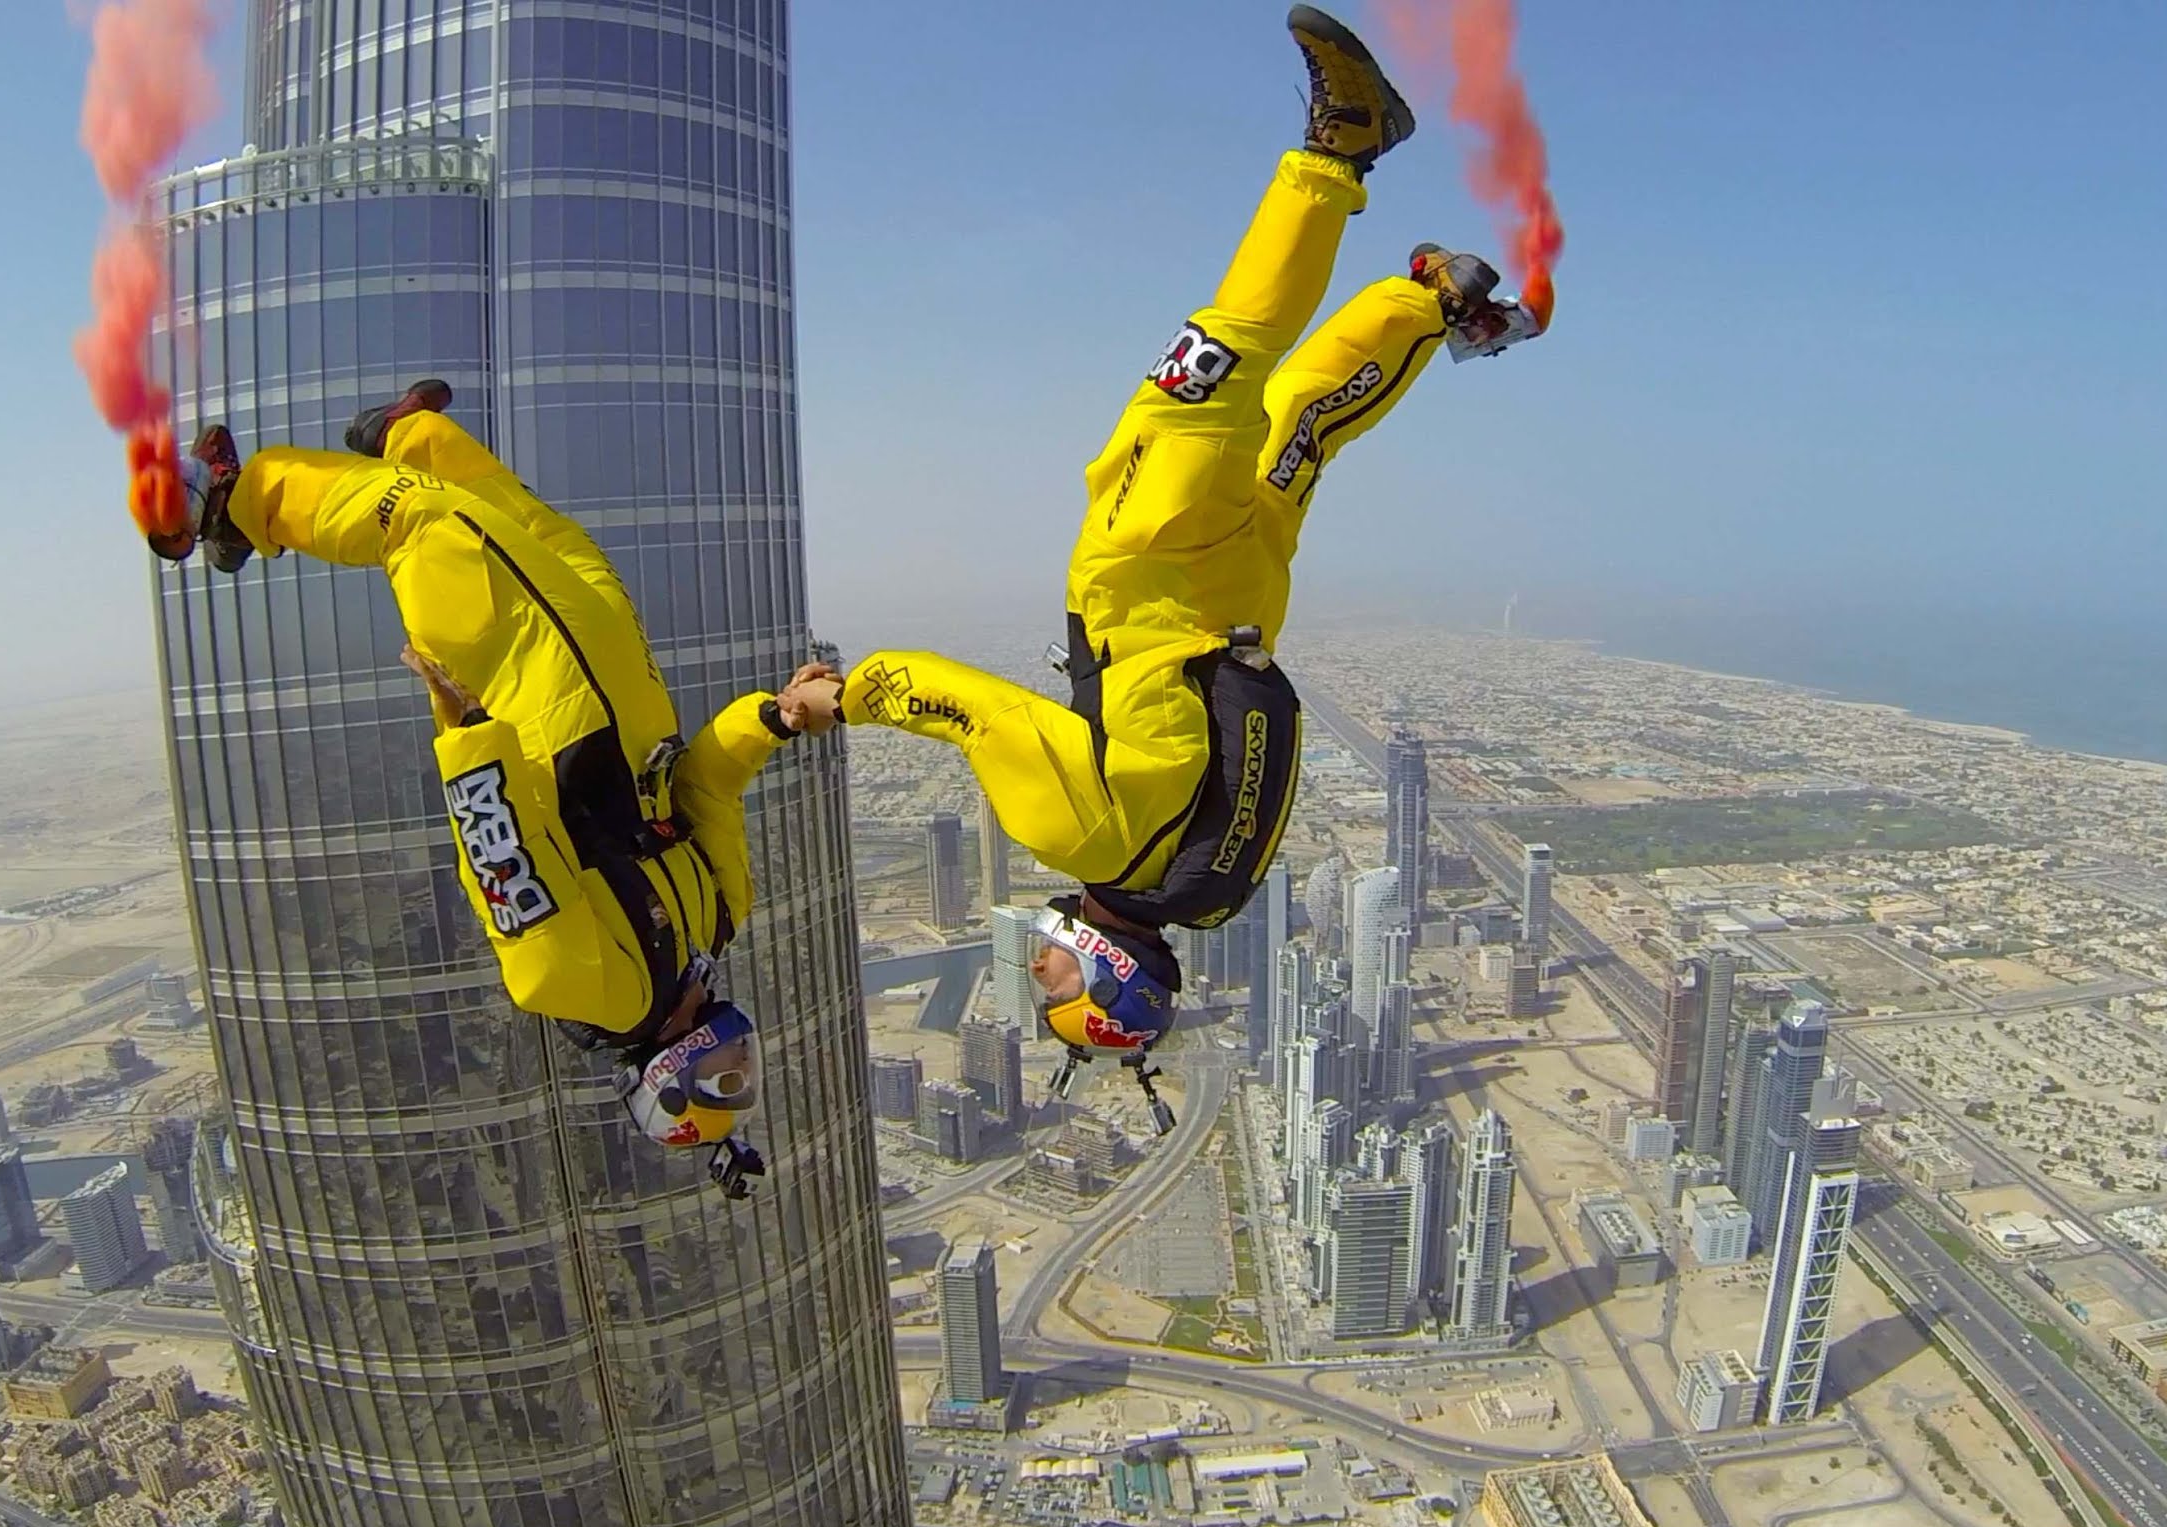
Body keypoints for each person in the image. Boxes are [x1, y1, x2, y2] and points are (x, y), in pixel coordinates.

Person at [842, 6, 1539, 1109]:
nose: (1041, 961)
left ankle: (1440, 304)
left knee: (1304, 420)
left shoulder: (1210, 898)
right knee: (1213, 364)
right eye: (1059, 976)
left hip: (1244, 609)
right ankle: (1339, 152)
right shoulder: (1075, 834)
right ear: (1109, 966)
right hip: (1146, 572)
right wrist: (842, 697)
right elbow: (961, 701)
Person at [134, 381, 841, 1197]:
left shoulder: (589, 987)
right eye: (741, 1076)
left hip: (533, 697)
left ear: (665, 1080)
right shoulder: (718, 918)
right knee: (532, 525)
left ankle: (234, 503)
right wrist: (778, 718)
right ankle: (409, 435)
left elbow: (503, 862)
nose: (737, 1059)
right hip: (618, 678)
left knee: (430, 523)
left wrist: (467, 735)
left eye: (721, 1079)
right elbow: (709, 785)